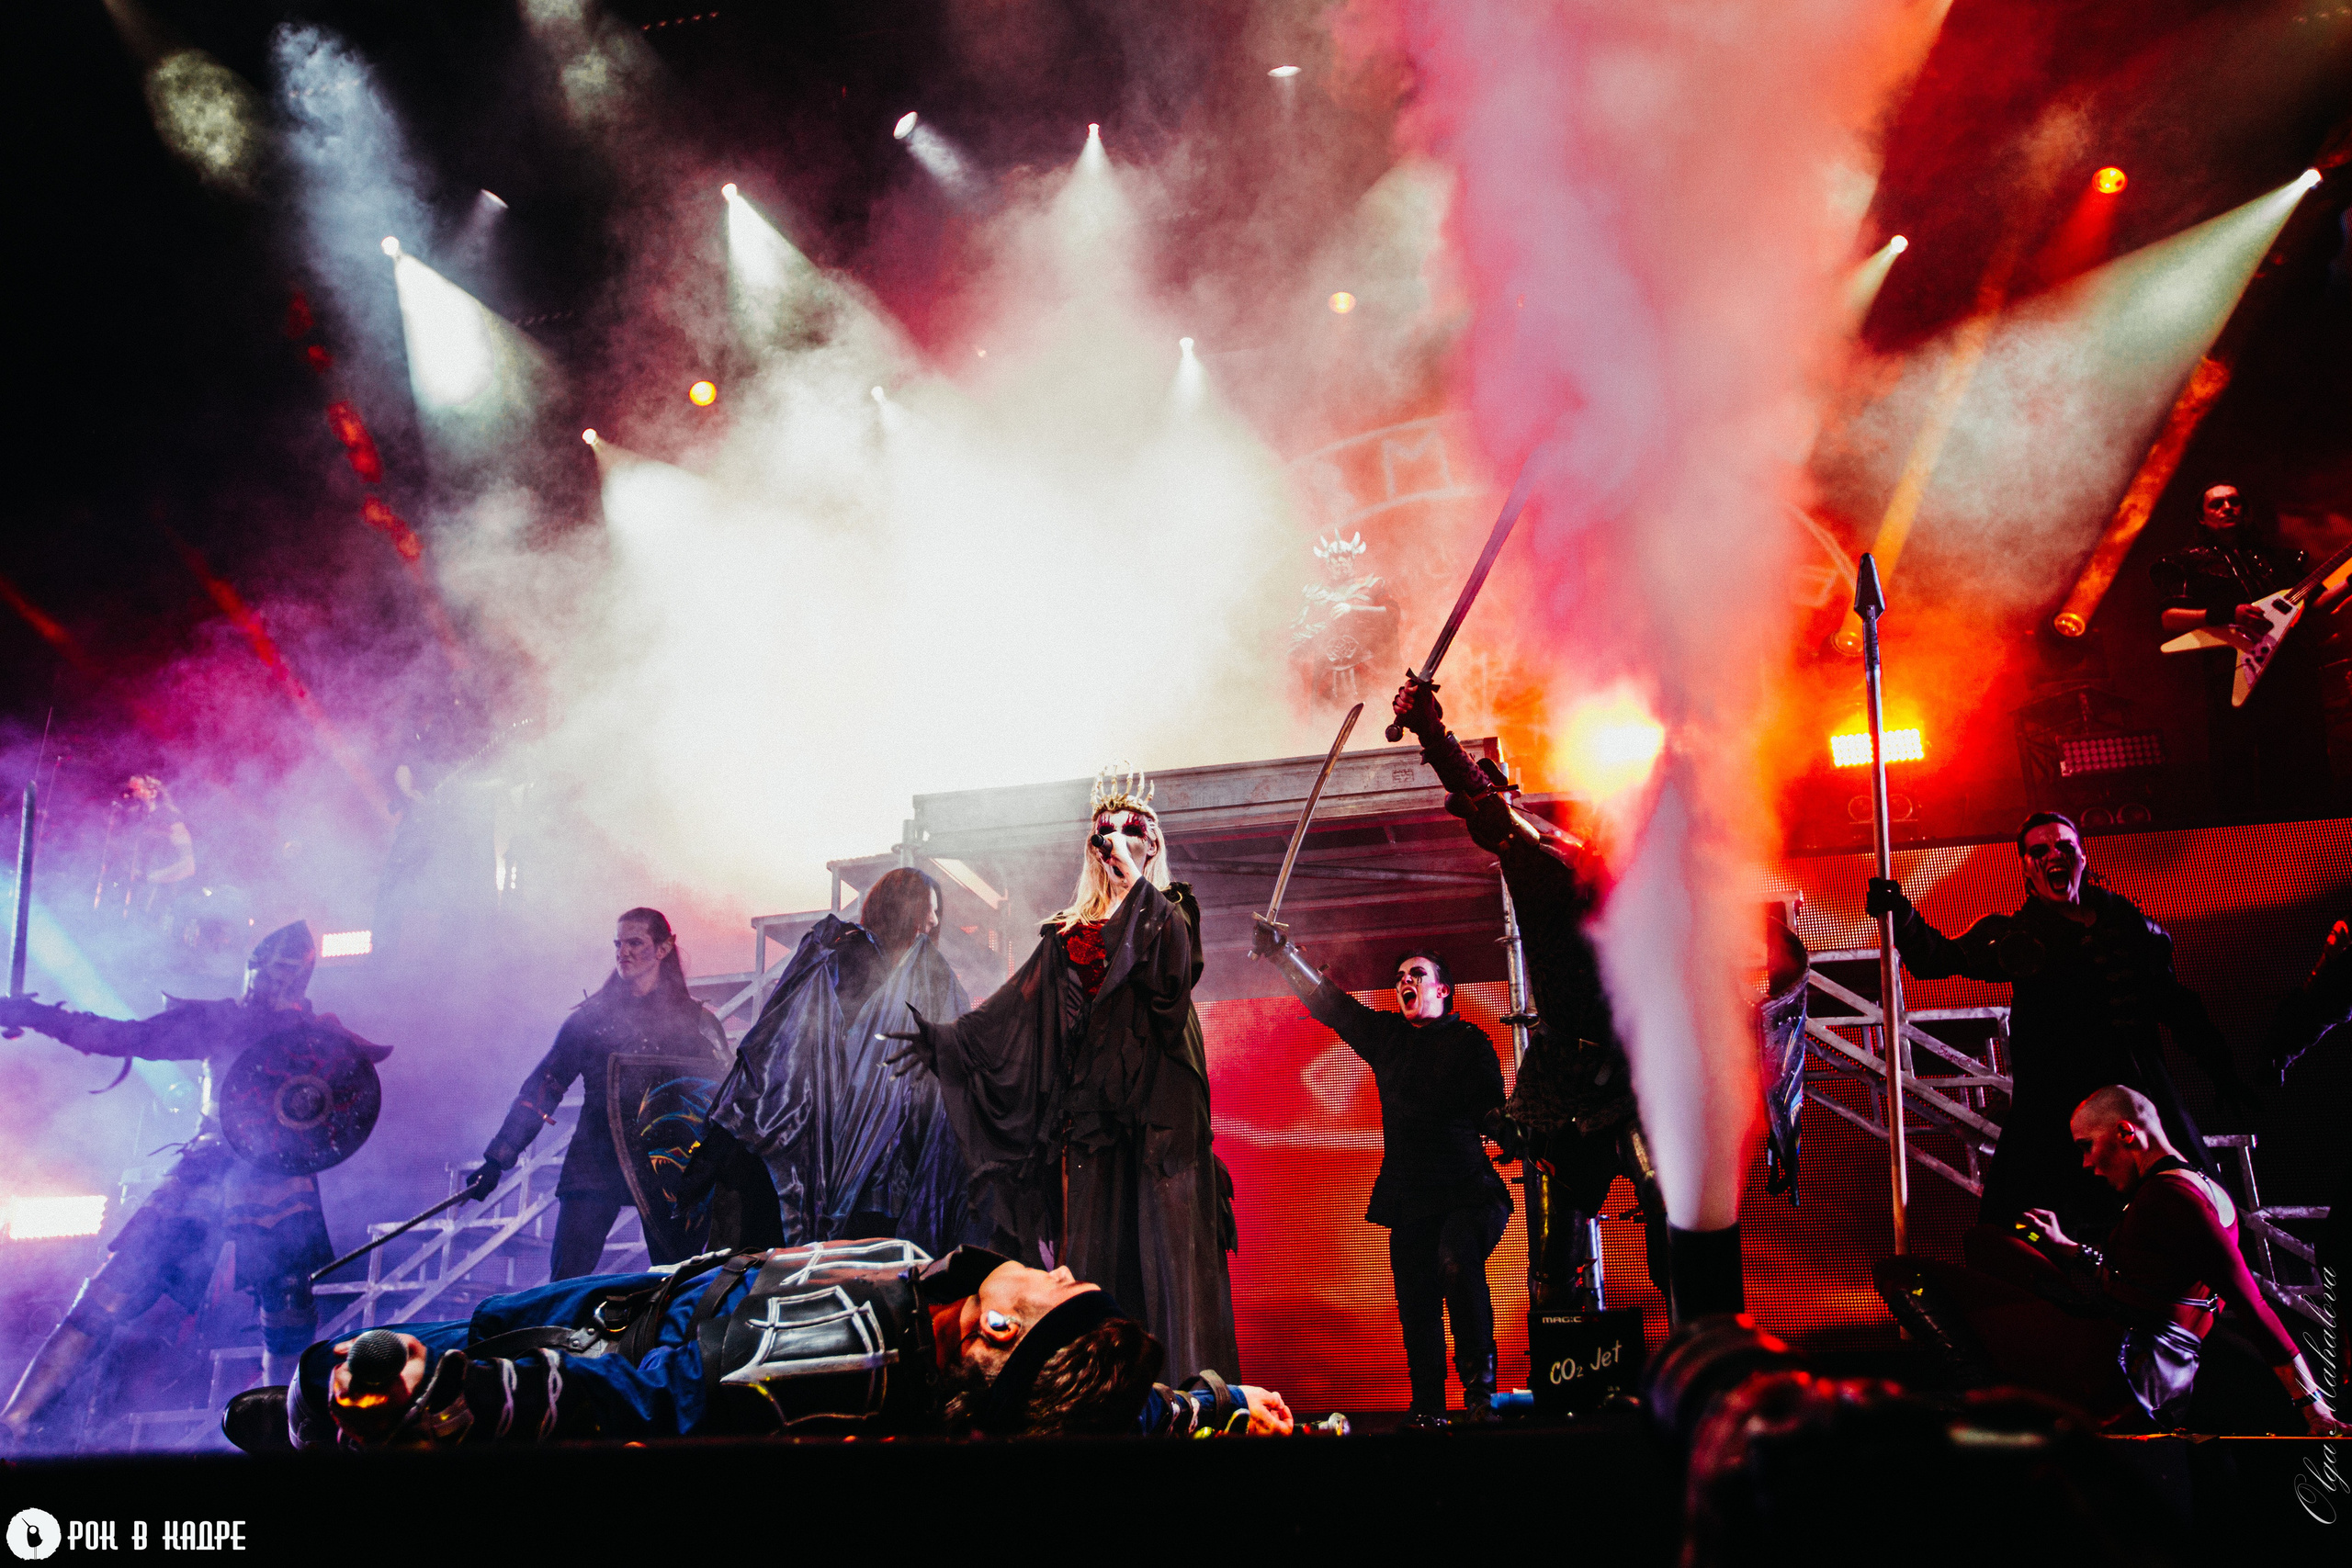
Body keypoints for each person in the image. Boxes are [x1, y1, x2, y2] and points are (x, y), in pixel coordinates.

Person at [233, 1239, 1292, 1448]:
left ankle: (294, 1430)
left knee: (407, 1362)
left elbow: (651, 1401)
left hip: (611, 1335)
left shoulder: (842, 1360)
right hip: (658, 1291)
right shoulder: (989, 1349)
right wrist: (1215, 1404)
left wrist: (483, 1393)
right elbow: (1086, 1408)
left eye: (1060, 1292)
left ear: (1001, 1330)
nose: (1057, 1270)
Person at [884, 769, 1242, 1382]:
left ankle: (1190, 1400)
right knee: (1098, 1266)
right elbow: (1010, 1016)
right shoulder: (1065, 939)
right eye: (1105, 835)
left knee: (1170, 1270)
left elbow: (1170, 989)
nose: (1117, 843)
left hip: (1163, 1123)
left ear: (1152, 845)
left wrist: (1131, 874)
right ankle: (1098, 1398)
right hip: (1093, 1122)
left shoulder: (1172, 911)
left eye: (1133, 833)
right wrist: (949, 1046)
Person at [0, 922, 389, 1446]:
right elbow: (119, 1036)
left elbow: (350, 1096)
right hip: (205, 1167)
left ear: (303, 978)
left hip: (277, 1174)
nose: (265, 978)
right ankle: (15, 1419)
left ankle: (287, 1438)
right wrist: (35, 1015)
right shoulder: (218, 1021)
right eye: (259, 964)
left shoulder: (319, 1040)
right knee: (110, 1291)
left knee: (288, 1310)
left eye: (282, 970)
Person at [1386, 680, 1686, 1315]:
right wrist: (1432, 732)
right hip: (1558, 1086)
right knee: (1553, 1257)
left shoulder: (1656, 903)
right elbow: (1483, 802)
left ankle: (1701, 1339)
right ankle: (1567, 1385)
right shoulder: (1546, 876)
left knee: (1670, 1206)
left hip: (1631, 1078)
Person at [1872, 1085, 2346, 1436]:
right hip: (2132, 1349)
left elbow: (2250, 1303)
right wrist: (2067, 1248)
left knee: (1899, 1273)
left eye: (2087, 1146)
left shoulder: (2173, 1199)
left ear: (2125, 1132)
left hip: (2119, 1368)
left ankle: (1978, 1396)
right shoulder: (2197, 1189)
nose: (2086, 1164)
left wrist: (2311, 1406)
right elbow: (2150, 1277)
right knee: (1986, 1242)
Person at [1865, 810, 2241, 1236]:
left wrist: (2224, 1071)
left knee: (2191, 1215)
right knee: (2025, 1226)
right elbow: (1939, 960)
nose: (2052, 856)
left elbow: (2179, 1008)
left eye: (2064, 846)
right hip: (2055, 1106)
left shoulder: (2133, 929)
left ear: (2082, 855)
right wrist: (1902, 916)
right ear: (2025, 867)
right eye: (2038, 850)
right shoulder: (2019, 937)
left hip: (2142, 1100)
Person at [1249, 926, 1512, 1424]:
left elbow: (1491, 1110)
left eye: (1417, 974)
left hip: (1467, 1193)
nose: (1405, 982)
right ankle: (1429, 1407)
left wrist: (1520, 1136)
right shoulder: (1390, 1038)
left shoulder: (1468, 1041)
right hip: (1410, 1198)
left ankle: (1481, 1396)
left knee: (1456, 1262)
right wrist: (1283, 954)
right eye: (1400, 978)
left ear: (1442, 989)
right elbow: (1333, 1008)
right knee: (1415, 1302)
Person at [704, 867, 980, 1255]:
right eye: (927, 910)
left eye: (937, 913)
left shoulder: (927, 974)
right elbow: (793, 1036)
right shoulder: (844, 953)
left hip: (887, 1149)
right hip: (821, 1134)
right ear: (901, 909)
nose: (934, 922)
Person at [468, 908, 743, 1279]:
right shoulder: (591, 1020)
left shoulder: (696, 1023)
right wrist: (498, 1158)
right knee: (566, 1281)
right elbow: (544, 1085)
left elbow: (721, 1097)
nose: (623, 953)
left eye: (635, 943)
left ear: (663, 949)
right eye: (619, 944)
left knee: (678, 1281)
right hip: (595, 1159)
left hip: (669, 1163)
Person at [2152, 482, 2346, 823]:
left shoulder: (2278, 558)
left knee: (2304, 756)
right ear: (2202, 516)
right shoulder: (2184, 563)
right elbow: (2170, 618)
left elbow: (2319, 606)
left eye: (2234, 501)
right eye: (2217, 504)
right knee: (2241, 761)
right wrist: (2229, 612)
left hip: (2293, 672)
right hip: (2234, 675)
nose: (2228, 508)